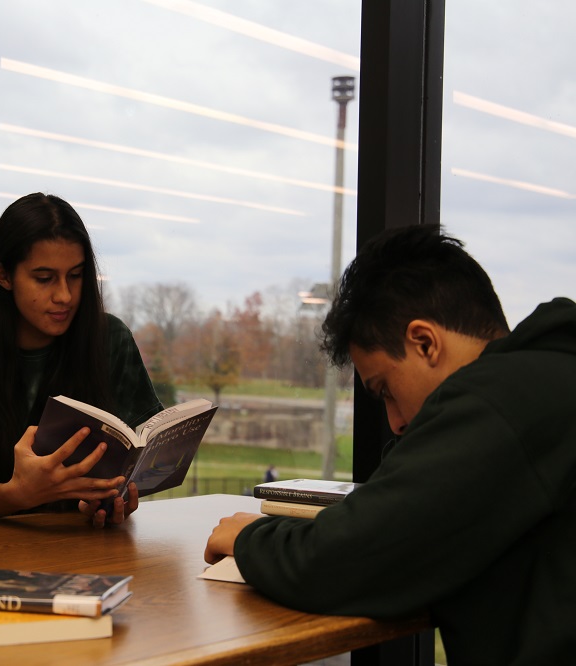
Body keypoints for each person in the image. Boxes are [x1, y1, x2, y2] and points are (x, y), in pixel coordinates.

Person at [204, 224, 576, 664]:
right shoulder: (547, 381)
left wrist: (249, 537)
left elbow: (351, 558)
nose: (395, 422)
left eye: (385, 390)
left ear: (425, 342)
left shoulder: (501, 400)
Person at [0, 193, 163, 528]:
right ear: (4, 276)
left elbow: (140, 452)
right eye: (44, 278)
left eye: (76, 275)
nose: (65, 296)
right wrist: (21, 494)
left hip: (85, 546)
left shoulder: (108, 338)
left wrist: (115, 494)